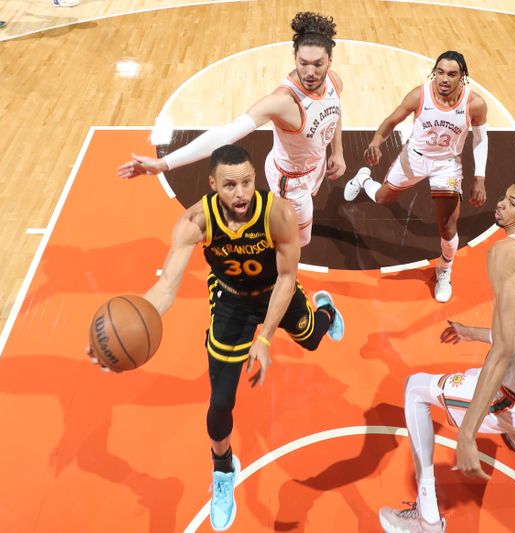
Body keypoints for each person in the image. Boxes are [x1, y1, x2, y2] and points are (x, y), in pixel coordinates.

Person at [91, 145, 344, 531]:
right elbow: (165, 286)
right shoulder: (195, 221)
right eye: (229, 185)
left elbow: (288, 278)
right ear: (213, 185)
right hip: (231, 301)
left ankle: (325, 309)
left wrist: (266, 339)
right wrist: (118, 338)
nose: (240, 193)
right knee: (221, 400)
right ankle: (223, 467)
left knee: (311, 339)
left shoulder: (278, 214)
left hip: (275, 290)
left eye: (246, 182)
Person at [378, 177, 515, 533]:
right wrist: (473, 333)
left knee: (415, 388)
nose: (501, 204)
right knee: (508, 382)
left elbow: (503, 351)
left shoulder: (505, 253)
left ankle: (427, 519)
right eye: (505, 197)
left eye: (514, 203)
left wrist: (467, 434)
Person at [117, 12, 345, 247]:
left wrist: (337, 151)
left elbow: (335, 110)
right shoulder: (282, 102)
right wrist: (164, 164)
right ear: (294, 58)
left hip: (314, 167)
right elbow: (225, 134)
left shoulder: (334, 82)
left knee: (294, 224)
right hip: (291, 180)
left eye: (318, 64)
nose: (310, 73)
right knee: (299, 241)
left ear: (329, 62)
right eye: (302, 63)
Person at [343, 50, 488, 302]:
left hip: (447, 165)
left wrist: (480, 177)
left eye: (452, 74)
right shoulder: (419, 94)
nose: (444, 78)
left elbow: (480, 139)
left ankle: (444, 269)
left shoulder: (474, 104)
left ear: (462, 76)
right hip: (414, 157)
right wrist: (377, 141)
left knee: (447, 225)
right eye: (440, 72)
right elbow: (391, 120)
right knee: (382, 198)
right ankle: (364, 178)